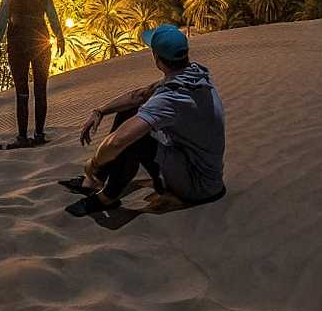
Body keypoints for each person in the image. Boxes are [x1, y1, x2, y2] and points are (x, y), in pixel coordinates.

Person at [65, 24, 225, 215]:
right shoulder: (193, 75)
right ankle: (94, 180)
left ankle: (107, 197)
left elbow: (117, 142)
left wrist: (94, 163)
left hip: (198, 185)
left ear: (156, 58)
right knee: (130, 113)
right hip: (195, 166)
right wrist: (100, 111)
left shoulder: (171, 97)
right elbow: (139, 96)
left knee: (135, 138)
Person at [0, 0, 66, 149]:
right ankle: (39, 134)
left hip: (17, 45)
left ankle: (22, 137)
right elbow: (53, 17)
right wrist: (60, 37)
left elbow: (1, 23)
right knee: (40, 90)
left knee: (22, 92)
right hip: (40, 43)